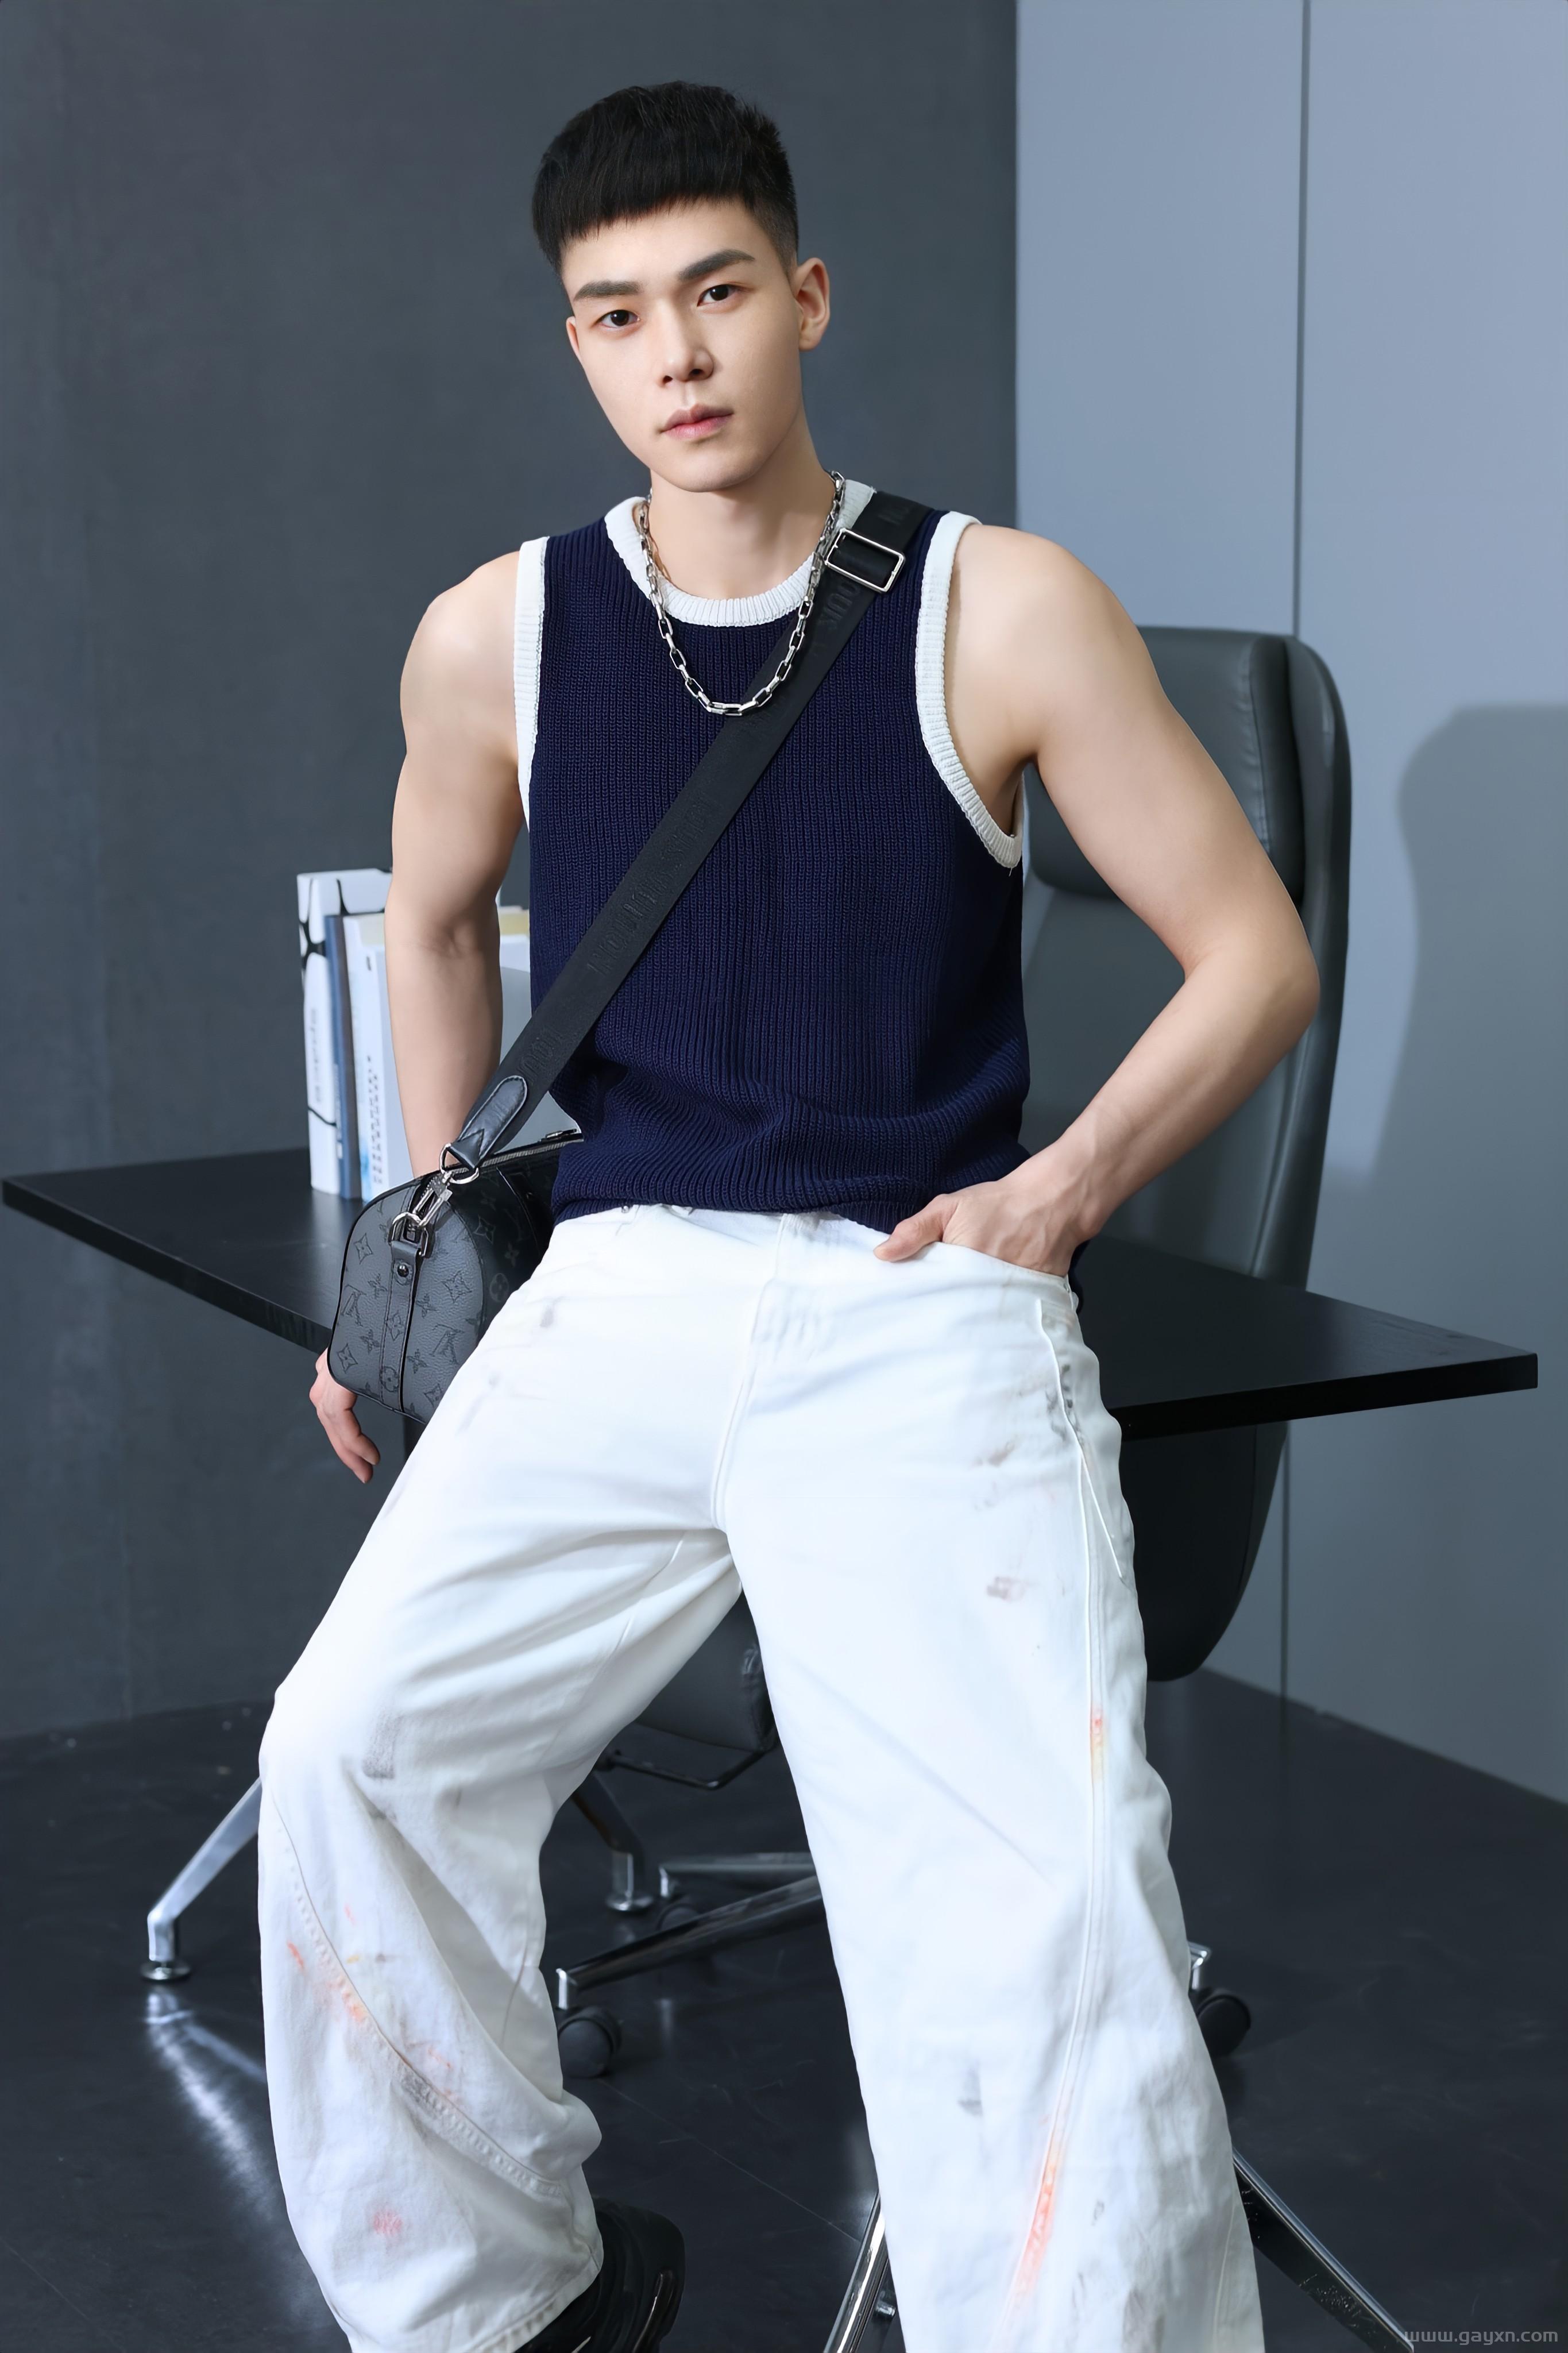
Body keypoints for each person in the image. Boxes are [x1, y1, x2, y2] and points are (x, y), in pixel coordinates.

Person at [265, 79, 1317, 2353]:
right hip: (620, 1289)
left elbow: (1251, 953)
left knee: (1039, 1906)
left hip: (912, 1294)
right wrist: (449, 1244)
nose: (676, 353)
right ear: (575, 343)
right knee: (347, 1754)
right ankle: (496, 2305)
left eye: (717, 290)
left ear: (804, 296)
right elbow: (431, 917)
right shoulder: (494, 634)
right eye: (616, 313)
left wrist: (1056, 1191)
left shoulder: (996, 605)